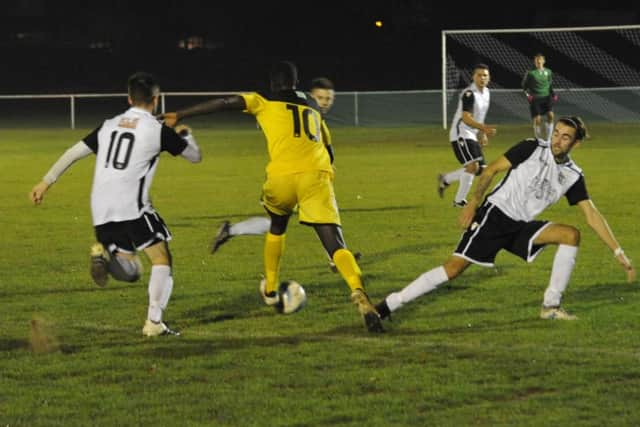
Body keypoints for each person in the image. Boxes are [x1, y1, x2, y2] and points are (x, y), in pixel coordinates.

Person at [161, 62, 383, 333]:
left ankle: (270, 288)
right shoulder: (312, 105)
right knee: (335, 242)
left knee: (277, 227)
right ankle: (359, 293)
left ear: (273, 83)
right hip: (317, 175)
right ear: (295, 81)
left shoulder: (263, 99)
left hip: (282, 176)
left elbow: (224, 102)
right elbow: (329, 147)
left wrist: (180, 114)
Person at [377, 116, 635, 321]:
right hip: (495, 215)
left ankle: (551, 306)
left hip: (520, 226)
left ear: (575, 144)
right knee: (453, 269)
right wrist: (473, 204)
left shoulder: (573, 175)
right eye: (556, 133)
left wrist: (618, 252)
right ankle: (387, 306)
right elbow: (490, 170)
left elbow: (592, 214)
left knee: (570, 235)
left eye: (565, 137)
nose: (557, 140)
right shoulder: (531, 148)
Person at [30, 72, 201, 337]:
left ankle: (105, 260)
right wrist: (185, 134)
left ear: (129, 98)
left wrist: (45, 182)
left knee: (131, 272)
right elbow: (194, 157)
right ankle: (154, 323)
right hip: (132, 206)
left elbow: (73, 153)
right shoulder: (157, 130)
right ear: (155, 100)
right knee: (161, 258)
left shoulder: (108, 125)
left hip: (101, 209)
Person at [438, 64, 497, 208]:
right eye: (479, 75)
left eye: (485, 75)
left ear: (489, 78)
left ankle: (446, 178)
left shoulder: (487, 93)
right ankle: (459, 201)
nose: (482, 78)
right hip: (461, 133)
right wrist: (484, 128)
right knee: (473, 165)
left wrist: (482, 133)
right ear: (473, 77)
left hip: (472, 133)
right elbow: (466, 118)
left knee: (480, 169)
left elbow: (480, 116)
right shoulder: (469, 94)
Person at [522, 53, 557, 141]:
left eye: (540, 59)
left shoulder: (548, 71)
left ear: (543, 61)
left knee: (551, 115)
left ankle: (548, 139)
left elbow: (549, 84)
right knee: (537, 119)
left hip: (547, 97)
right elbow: (524, 86)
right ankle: (538, 139)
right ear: (535, 62)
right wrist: (528, 95)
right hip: (536, 98)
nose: (538, 61)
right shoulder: (530, 73)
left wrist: (553, 94)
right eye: (537, 60)